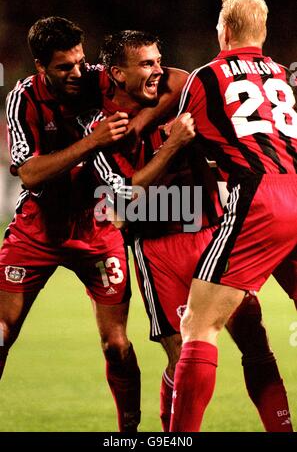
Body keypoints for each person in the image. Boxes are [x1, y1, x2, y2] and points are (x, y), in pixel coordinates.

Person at [88, 30, 292, 432]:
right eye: (146, 64)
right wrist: (172, 144)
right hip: (157, 247)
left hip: (213, 230)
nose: (157, 71)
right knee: (181, 353)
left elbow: (187, 77)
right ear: (117, 74)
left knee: (254, 341)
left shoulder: (181, 97)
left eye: (158, 61)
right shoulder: (102, 130)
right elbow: (120, 203)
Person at [0, 16, 189, 432]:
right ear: (40, 66)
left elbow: (178, 78)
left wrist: (140, 121)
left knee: (117, 345)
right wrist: (92, 141)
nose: (77, 73)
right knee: (1, 332)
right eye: (64, 67)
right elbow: (29, 173)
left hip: (98, 227)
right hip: (38, 229)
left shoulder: (101, 78)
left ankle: (129, 434)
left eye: (80, 62)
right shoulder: (24, 100)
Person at [169, 0, 297, 432]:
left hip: (260, 198)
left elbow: (186, 143)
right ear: (262, 32)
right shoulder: (284, 75)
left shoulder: (205, 77)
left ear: (223, 31)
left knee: (199, 324)